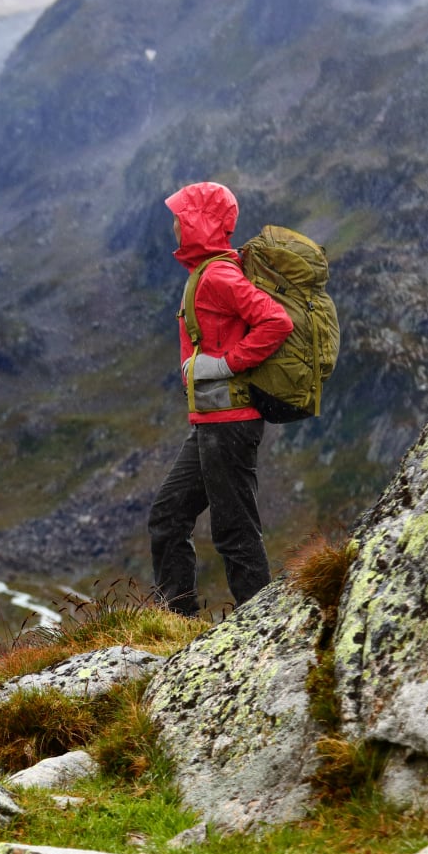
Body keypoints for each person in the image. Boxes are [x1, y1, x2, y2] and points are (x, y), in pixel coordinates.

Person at [148, 181, 293, 616]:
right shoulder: (206, 273)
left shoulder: (219, 275)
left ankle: (260, 627)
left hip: (230, 423)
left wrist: (224, 364)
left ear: (198, 222)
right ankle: (179, 621)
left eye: (180, 216)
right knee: (168, 516)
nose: (174, 224)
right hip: (212, 422)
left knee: (233, 529)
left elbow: (276, 321)